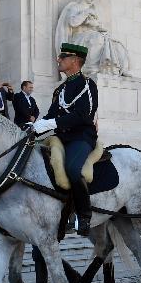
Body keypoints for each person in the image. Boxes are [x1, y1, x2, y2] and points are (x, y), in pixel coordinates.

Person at [31, 43, 98, 236]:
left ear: (75, 61)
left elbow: (84, 115)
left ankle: (84, 215)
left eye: (63, 57)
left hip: (81, 136)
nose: (58, 60)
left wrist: (52, 124)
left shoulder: (87, 85)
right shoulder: (60, 90)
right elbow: (50, 116)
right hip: (61, 137)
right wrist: (33, 128)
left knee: (72, 169)